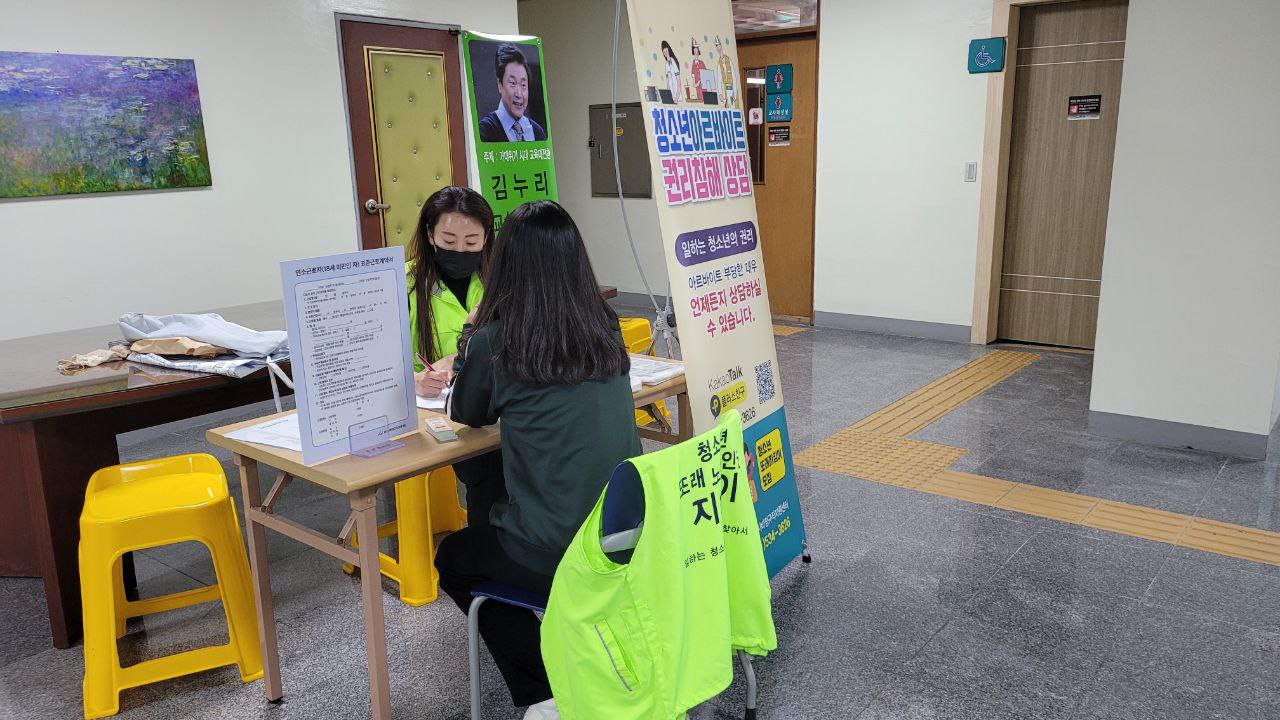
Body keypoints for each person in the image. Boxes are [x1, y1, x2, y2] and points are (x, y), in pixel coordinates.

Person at [435, 201, 641, 720]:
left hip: (559, 551)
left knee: (456, 559)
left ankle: (544, 693)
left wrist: (471, 335)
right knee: (496, 507)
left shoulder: (498, 341)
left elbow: (467, 412)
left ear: (505, 265)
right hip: (627, 534)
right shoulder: (605, 326)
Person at [406, 186, 493, 399]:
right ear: (430, 235)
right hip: (430, 407)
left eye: (471, 241)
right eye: (449, 241)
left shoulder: (500, 280)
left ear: (486, 237)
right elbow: (380, 368)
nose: (460, 249)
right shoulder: (403, 283)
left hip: (490, 402)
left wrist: (460, 358)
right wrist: (414, 381)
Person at [478, 42, 548, 143]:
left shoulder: (537, 131)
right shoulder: (486, 130)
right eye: (513, 83)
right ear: (499, 85)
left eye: (523, 85)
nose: (519, 94)